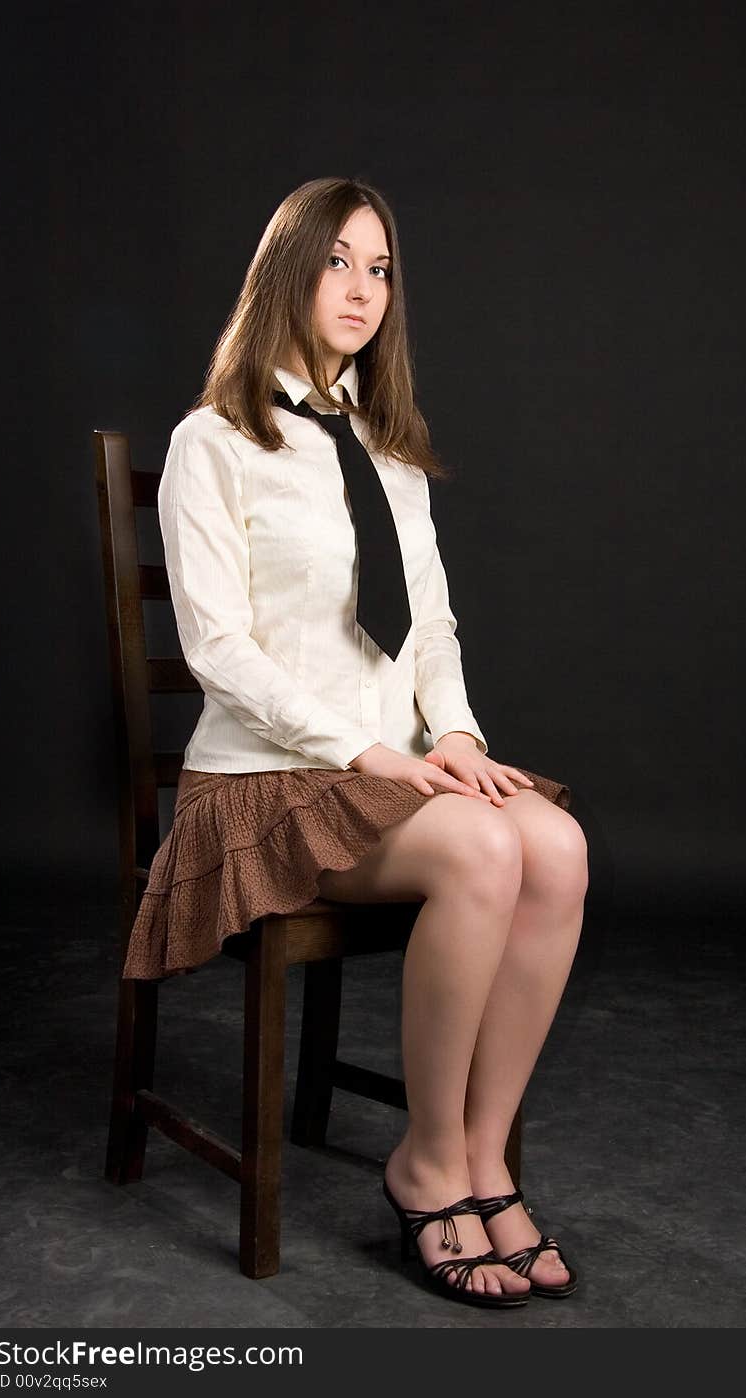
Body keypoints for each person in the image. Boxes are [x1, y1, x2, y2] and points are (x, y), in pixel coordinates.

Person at [126, 176, 589, 1310]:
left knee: (558, 848)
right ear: (287, 269)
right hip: (267, 782)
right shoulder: (215, 440)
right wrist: (368, 752)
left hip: (395, 772)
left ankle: (481, 1159)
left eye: (380, 268)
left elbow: (428, 628)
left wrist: (460, 732)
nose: (363, 289)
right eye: (339, 260)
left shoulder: (387, 452)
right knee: (483, 854)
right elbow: (215, 648)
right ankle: (426, 1159)